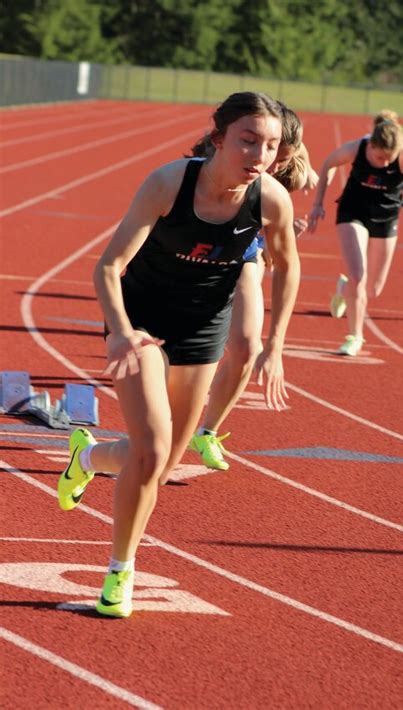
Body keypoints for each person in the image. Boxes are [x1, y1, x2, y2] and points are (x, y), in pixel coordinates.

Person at [56, 91, 300, 618]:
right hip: (141, 323)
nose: (259, 155)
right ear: (219, 139)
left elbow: (287, 264)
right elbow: (107, 266)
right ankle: (121, 572)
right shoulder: (170, 182)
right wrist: (120, 332)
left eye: (271, 146)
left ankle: (87, 457)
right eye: (248, 140)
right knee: (150, 448)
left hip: (201, 330)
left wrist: (275, 342)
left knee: (161, 465)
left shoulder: (272, 199)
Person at [188, 103, 317, 471]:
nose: (267, 164)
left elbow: (288, 264)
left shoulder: (284, 168)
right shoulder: (217, 156)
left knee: (246, 346)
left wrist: (275, 346)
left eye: (278, 156)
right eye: (259, 148)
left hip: (244, 249)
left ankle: (207, 432)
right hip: (193, 247)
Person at [308, 110, 403, 356]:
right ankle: (355, 336)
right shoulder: (358, 147)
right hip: (353, 213)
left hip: (386, 219)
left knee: (373, 289)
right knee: (359, 275)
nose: (385, 163)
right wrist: (317, 204)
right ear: (372, 145)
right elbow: (328, 164)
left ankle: (343, 290)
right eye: (379, 157)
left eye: (389, 158)